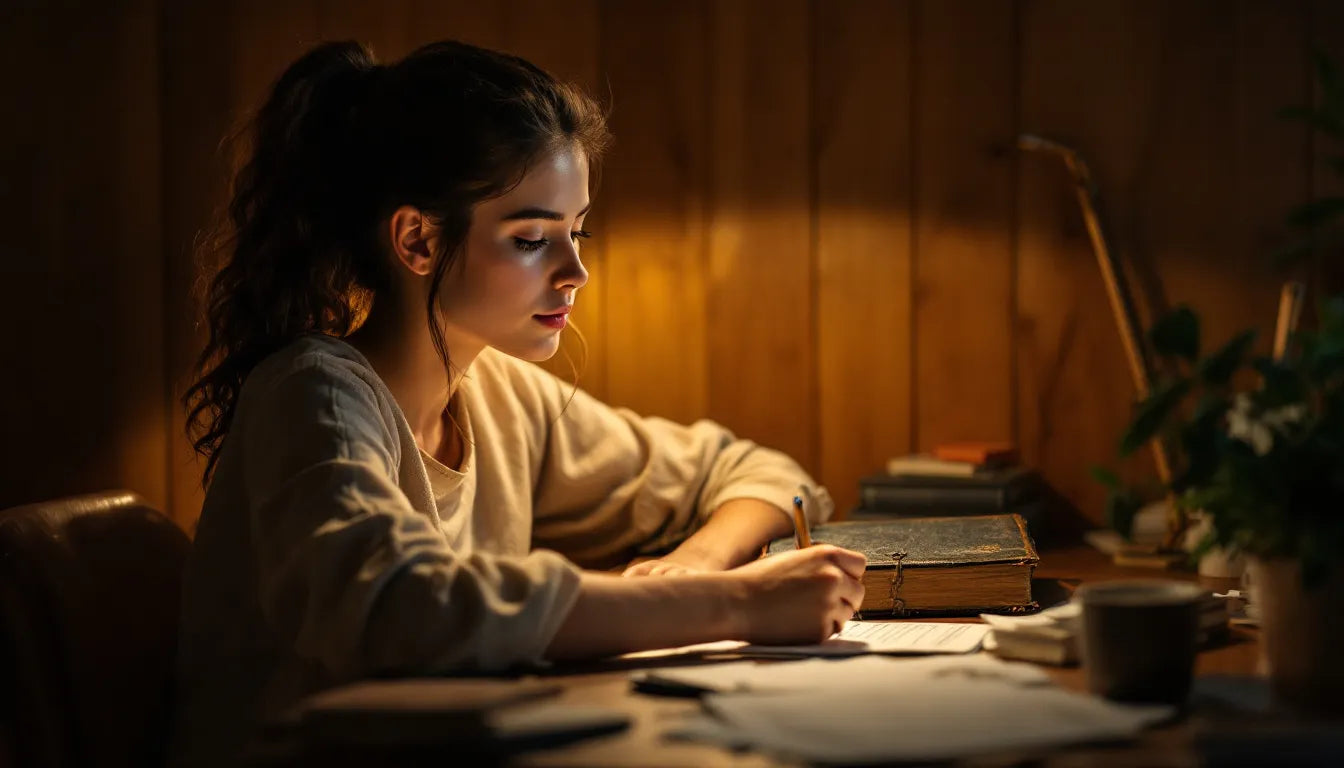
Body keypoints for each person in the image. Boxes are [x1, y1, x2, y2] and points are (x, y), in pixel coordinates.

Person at [170, 39, 865, 767]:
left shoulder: (498, 392)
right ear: (418, 240)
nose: (576, 272)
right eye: (532, 238)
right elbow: (401, 606)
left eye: (577, 231)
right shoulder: (311, 396)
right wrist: (738, 606)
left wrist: (696, 563)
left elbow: (759, 471)